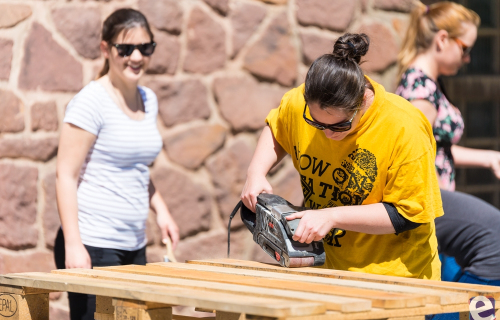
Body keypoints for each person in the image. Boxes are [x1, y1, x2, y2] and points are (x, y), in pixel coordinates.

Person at [241, 33, 444, 279]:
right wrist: (256, 172)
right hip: (329, 271)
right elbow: (277, 126)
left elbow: (407, 214)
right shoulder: (303, 101)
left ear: (362, 101)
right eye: (315, 123)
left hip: (396, 277)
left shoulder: (404, 126)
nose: (327, 134)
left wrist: (332, 216)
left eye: (339, 126)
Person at [54, 8, 179, 320]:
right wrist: (73, 244)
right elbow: (65, 176)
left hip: (133, 244)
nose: (136, 56)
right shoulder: (91, 101)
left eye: (145, 48)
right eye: (125, 49)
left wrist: (161, 211)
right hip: (93, 244)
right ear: (105, 49)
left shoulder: (148, 99)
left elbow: (135, 168)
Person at [395, 0, 500, 292]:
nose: (467, 59)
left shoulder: (423, 84)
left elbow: (437, 149)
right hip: (429, 202)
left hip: (437, 200)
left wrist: (489, 157)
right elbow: (408, 149)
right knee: (494, 240)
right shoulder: (422, 92)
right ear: (443, 39)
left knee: (449, 277)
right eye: (465, 49)